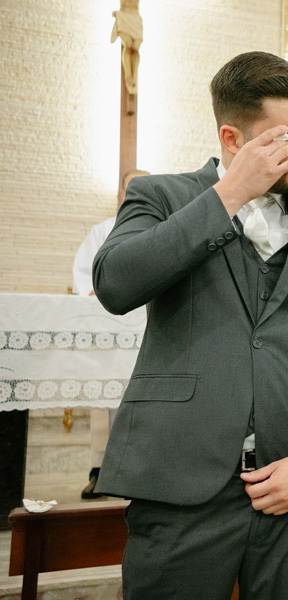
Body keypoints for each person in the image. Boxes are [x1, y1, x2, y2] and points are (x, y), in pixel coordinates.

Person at [93, 51, 288, 599]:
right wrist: (230, 195)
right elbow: (115, 285)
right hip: (181, 487)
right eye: (287, 134)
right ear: (233, 139)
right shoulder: (161, 197)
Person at [72, 168, 148, 500]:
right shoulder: (101, 232)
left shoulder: (160, 229)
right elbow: (84, 278)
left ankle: (144, 469)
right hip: (108, 332)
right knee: (104, 397)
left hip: (147, 332)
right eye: (131, 190)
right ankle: (99, 471)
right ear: (120, 195)